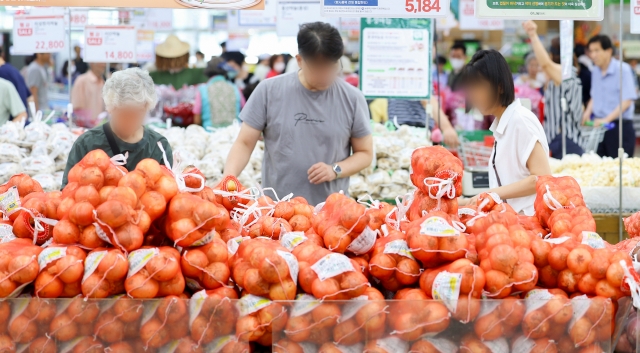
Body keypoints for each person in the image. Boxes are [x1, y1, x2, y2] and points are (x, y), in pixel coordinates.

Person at [224, 22, 373, 205]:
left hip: (331, 213)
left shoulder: (352, 98)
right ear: (300, 60)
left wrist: (335, 169)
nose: (326, 75)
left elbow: (365, 153)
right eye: (318, 67)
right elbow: (245, 143)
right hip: (278, 209)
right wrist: (228, 179)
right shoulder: (269, 91)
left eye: (332, 66)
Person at [460, 50, 550, 216]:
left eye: (479, 87)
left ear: (500, 87)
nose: (473, 95)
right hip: (514, 224)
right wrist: (467, 202)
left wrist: (493, 194)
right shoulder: (503, 125)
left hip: (531, 225)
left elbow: (541, 177)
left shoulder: (520, 121)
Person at [62, 68, 172, 189]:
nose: (130, 120)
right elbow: (68, 193)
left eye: (137, 113)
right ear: (110, 107)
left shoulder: (158, 147)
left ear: (147, 107)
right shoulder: (86, 144)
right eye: (123, 113)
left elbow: (168, 193)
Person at [523, 21, 584, 158]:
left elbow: (545, 64)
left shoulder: (566, 74)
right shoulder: (569, 75)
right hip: (562, 139)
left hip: (565, 141)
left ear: (552, 55)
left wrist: (533, 35)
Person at [583, 35, 639, 158]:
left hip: (619, 128)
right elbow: (595, 96)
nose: (593, 55)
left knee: (618, 170)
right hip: (599, 129)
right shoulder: (595, 71)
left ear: (608, 51)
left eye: (597, 50)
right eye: (591, 51)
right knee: (599, 166)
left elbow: (627, 100)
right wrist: (587, 112)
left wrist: (606, 119)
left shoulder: (623, 69)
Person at [368, 96, 459, 147]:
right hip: (417, 133)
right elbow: (428, 99)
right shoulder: (418, 67)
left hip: (396, 130)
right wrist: (447, 128)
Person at [193, 57, 243, 129]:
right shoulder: (235, 88)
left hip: (210, 136)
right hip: (234, 133)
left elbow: (197, 120)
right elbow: (245, 111)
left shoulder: (202, 90)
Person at [71, 62, 106, 128]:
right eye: (101, 62)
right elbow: (77, 108)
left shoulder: (103, 82)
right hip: (84, 128)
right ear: (92, 63)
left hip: (99, 127)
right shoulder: (81, 81)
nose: (104, 65)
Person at [0, 47, 32, 118]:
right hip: (20, 123)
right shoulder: (14, 71)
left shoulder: (2, 74)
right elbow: (30, 98)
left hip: (12, 123)